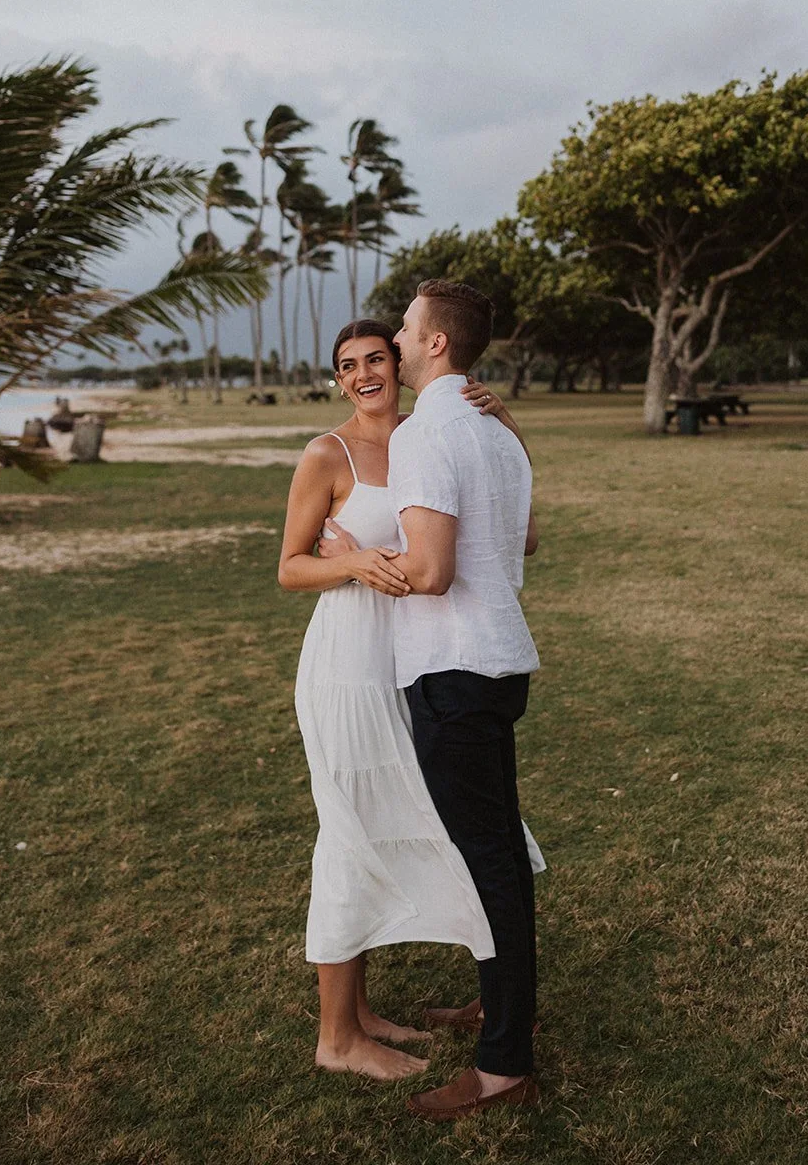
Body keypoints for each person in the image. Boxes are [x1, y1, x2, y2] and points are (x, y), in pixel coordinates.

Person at [278, 319, 536, 1081]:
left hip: (416, 659)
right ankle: (336, 1036)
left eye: (374, 359)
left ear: (400, 363)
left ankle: (363, 1012)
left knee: (412, 822)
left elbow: (503, 530)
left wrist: (506, 424)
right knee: (347, 829)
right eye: (346, 366)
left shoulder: (430, 438)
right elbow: (289, 567)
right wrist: (352, 563)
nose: (362, 375)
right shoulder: (326, 454)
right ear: (338, 380)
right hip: (348, 664)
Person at [386, 279, 541, 1121]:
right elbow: (526, 539)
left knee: (487, 862)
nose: (397, 341)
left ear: (436, 342)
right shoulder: (496, 430)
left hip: (452, 670)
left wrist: (350, 560)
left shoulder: (423, 433)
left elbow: (431, 572)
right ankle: (499, 1005)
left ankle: (503, 1066)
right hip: (498, 665)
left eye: (407, 328)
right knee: (500, 856)